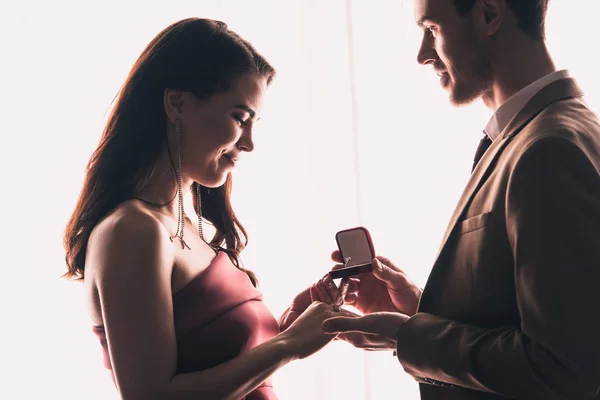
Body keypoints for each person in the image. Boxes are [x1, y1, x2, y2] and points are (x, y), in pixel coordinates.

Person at [322, 0, 600, 399]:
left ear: (489, 15)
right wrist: (418, 313)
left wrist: (408, 338)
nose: (422, 54)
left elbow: (561, 369)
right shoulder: (537, 135)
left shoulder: (548, 149)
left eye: (432, 29)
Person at [62, 18, 350, 400]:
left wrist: (282, 326)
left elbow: (219, 366)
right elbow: (152, 395)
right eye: (239, 118)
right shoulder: (132, 229)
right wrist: (289, 345)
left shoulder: (188, 228)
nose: (249, 143)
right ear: (177, 104)